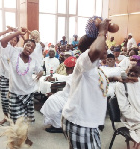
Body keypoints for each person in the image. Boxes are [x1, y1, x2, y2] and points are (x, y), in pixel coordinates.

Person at [62, 17, 111, 149]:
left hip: (89, 123)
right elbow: (95, 51)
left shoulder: (95, 68)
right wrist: (102, 32)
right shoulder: (83, 60)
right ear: (91, 47)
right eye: (103, 44)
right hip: (79, 122)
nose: (106, 47)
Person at [0, 26, 22, 125]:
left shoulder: (18, 50)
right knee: (4, 99)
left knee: (14, 99)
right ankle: (5, 117)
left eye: (15, 40)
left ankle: (14, 118)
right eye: (11, 39)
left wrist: (20, 33)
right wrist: (8, 31)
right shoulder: (3, 47)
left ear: (17, 42)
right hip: (4, 78)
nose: (12, 41)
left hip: (14, 79)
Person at [40, 56, 76, 133]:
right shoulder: (74, 75)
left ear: (72, 68)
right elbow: (65, 79)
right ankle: (57, 124)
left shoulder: (75, 77)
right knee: (52, 99)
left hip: (71, 100)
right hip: (67, 97)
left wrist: (54, 94)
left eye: (67, 68)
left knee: (52, 102)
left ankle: (57, 126)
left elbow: (69, 93)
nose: (65, 69)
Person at [115, 55, 140, 143]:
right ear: (126, 70)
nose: (132, 74)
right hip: (132, 119)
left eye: (135, 71)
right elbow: (125, 109)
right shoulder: (121, 85)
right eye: (130, 71)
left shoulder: (138, 81)